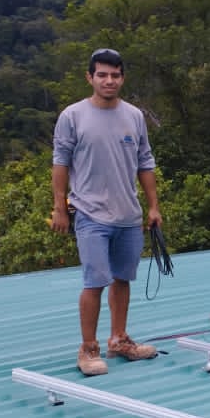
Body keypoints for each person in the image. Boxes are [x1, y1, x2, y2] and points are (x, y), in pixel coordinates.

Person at [50, 48, 163, 376]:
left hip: (128, 215)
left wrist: (153, 206)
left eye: (115, 75)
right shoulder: (73, 116)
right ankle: (88, 349)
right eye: (102, 74)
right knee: (94, 282)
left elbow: (145, 161)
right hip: (90, 214)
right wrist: (60, 208)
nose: (109, 80)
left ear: (122, 78)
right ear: (90, 77)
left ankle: (119, 339)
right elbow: (60, 163)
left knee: (122, 279)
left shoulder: (134, 116)